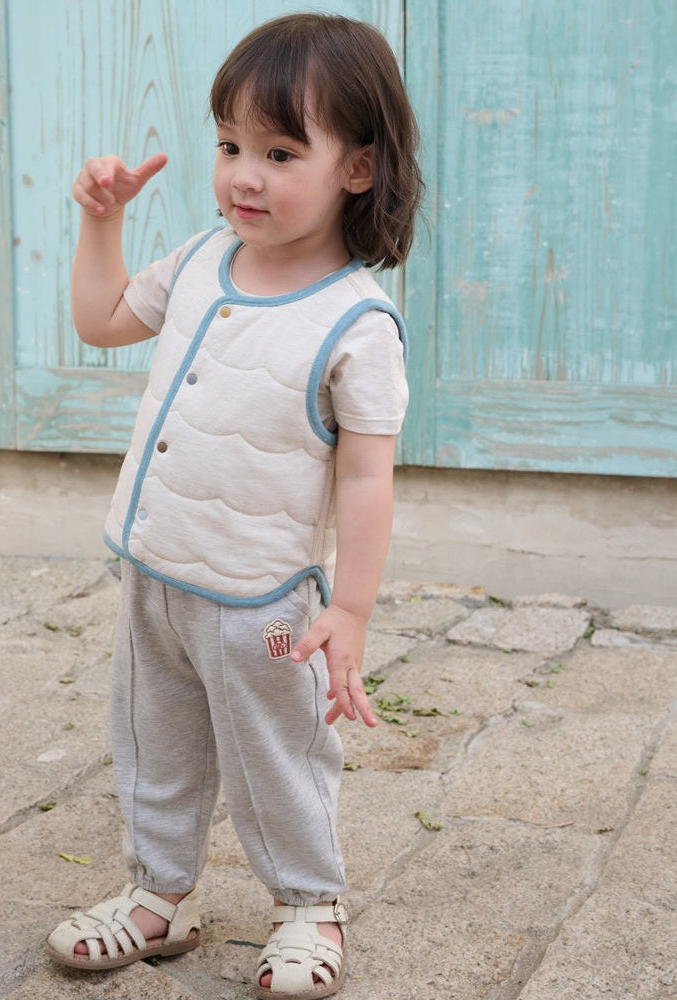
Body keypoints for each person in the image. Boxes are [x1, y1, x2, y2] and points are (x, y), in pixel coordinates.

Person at [46, 13, 423, 999]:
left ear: (357, 167)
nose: (243, 175)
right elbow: (99, 319)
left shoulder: (355, 321)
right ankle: (160, 895)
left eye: (280, 151)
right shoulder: (201, 258)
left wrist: (349, 611)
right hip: (157, 569)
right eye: (229, 146)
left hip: (262, 597)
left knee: (277, 758)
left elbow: (365, 477)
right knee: (154, 740)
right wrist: (100, 221)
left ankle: (309, 903)